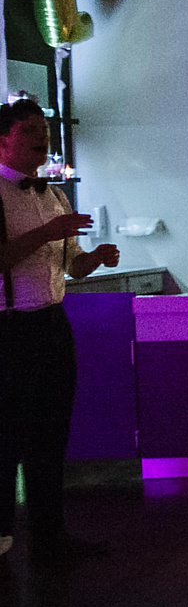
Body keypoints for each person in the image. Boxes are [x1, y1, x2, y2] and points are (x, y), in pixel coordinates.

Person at [0, 98, 120, 561]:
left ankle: (50, 535)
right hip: (8, 328)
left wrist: (95, 257)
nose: (40, 137)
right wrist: (48, 232)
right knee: (7, 434)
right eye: (29, 129)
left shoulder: (54, 194)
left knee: (51, 433)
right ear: (4, 139)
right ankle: (2, 531)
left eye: (43, 128)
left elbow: (73, 270)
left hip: (52, 323)